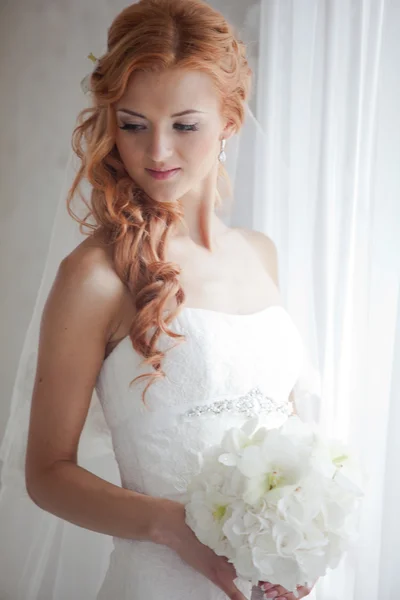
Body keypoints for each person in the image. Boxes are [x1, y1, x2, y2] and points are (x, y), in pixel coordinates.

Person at [22, 0, 316, 599]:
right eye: (133, 124)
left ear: (230, 120)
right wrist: (170, 527)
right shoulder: (95, 276)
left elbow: (283, 434)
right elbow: (46, 474)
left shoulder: (262, 254)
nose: (157, 152)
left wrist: (297, 543)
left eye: (185, 125)